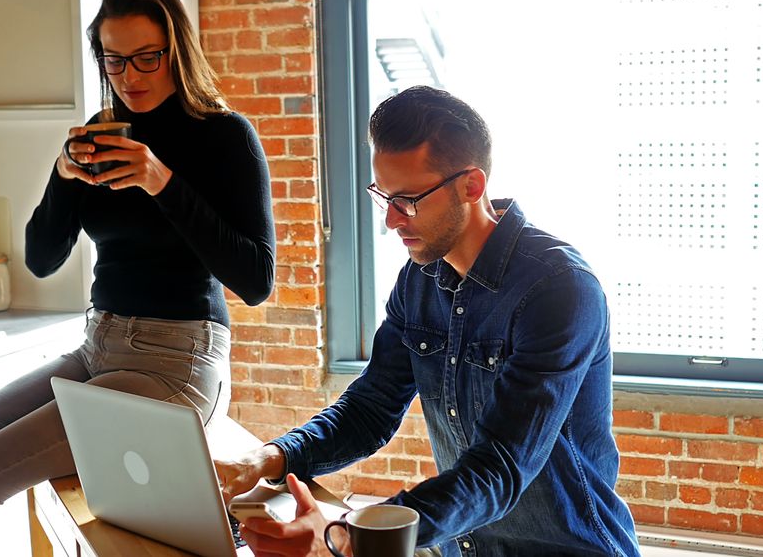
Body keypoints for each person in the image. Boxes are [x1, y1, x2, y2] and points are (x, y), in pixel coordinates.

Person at [0, 0, 276, 555]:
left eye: (147, 57)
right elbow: (42, 260)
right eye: (113, 58)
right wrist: (62, 173)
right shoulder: (99, 134)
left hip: (177, 360)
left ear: (177, 50)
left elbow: (256, 280)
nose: (130, 75)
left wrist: (162, 183)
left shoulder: (225, 138)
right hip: (98, 348)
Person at [216, 86, 639, 556]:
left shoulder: (559, 289)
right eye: (385, 197)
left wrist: (349, 537)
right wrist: (267, 460)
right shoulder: (418, 281)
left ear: (471, 186)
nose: (392, 221)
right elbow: (370, 408)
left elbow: (500, 466)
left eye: (409, 200)